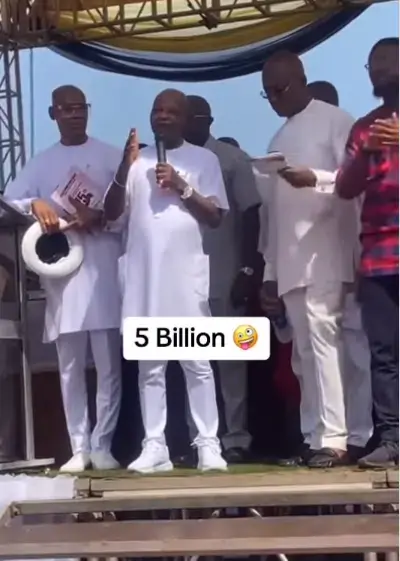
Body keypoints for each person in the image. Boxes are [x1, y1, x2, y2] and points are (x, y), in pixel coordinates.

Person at [104, 89, 229, 473]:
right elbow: (111, 214)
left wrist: (181, 185)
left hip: (185, 279)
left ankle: (208, 445)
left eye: (171, 111)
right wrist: (124, 168)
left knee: (197, 364)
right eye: (156, 109)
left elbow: (215, 216)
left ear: (186, 119)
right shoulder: (136, 162)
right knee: (150, 367)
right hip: (144, 280)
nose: (162, 116)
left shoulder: (204, 159)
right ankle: (154, 446)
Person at [5, 85, 123, 473]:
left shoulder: (110, 156)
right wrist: (35, 203)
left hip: (103, 272)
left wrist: (100, 216)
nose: (75, 114)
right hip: (63, 278)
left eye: (80, 107)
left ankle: (103, 446)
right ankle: (79, 447)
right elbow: (10, 200)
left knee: (108, 367)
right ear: (53, 114)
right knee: (70, 368)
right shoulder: (41, 163)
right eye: (67, 109)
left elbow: (129, 210)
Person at [259, 51, 358, 468]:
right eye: (267, 94)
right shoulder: (276, 141)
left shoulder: (337, 121)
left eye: (279, 89)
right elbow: (271, 215)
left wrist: (314, 178)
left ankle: (337, 438)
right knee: (302, 355)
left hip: (328, 252)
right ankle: (312, 434)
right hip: (289, 259)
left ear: (301, 79)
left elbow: (356, 182)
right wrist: (269, 271)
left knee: (325, 341)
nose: (274, 99)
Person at [184, 94, 261, 464]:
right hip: (184, 280)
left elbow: (252, 216)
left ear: (207, 121)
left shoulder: (232, 159)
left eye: (190, 117)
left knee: (231, 362)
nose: (184, 124)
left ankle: (236, 438)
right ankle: (199, 439)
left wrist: (248, 270)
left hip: (225, 273)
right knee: (191, 362)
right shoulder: (168, 164)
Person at [336, 38, 399, 468]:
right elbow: (345, 187)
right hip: (378, 255)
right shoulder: (364, 128)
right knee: (384, 354)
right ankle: (393, 439)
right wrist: (368, 154)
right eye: (372, 65)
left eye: (386, 62)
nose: (378, 71)